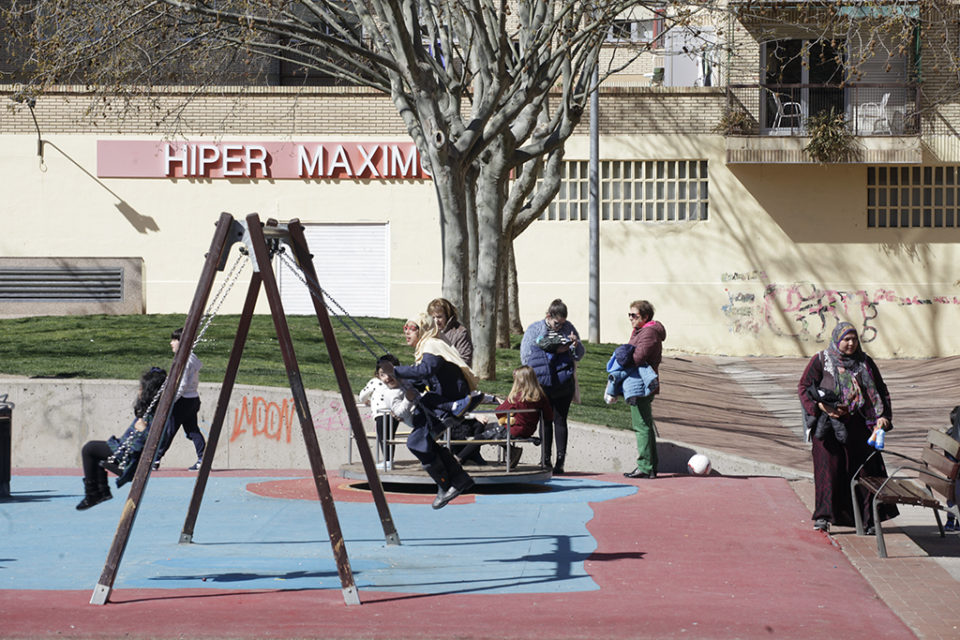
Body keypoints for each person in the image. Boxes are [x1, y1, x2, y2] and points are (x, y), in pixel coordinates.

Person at [797, 321, 898, 533]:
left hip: (860, 426)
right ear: (837, 340)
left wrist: (883, 418)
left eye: (854, 339)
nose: (851, 343)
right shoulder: (821, 360)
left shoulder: (865, 362)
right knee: (828, 471)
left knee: (865, 472)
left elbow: (881, 390)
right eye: (846, 339)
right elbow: (805, 387)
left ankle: (869, 520)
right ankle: (823, 517)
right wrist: (821, 406)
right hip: (828, 428)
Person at [379, 313, 482, 509]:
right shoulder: (427, 347)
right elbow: (424, 378)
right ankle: (458, 480)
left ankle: (446, 484)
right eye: (405, 328)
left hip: (447, 399)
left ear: (423, 329)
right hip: (438, 400)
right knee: (422, 442)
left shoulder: (431, 345)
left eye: (412, 328)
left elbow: (426, 371)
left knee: (416, 441)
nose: (407, 332)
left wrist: (397, 371)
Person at [76, 367, 167, 510]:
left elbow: (155, 441)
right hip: (123, 449)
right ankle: (100, 492)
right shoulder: (151, 409)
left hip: (128, 457)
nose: (139, 392)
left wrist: (144, 431)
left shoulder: (157, 414)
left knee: (90, 449)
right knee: (96, 455)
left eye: (141, 389)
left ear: (150, 392)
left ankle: (94, 493)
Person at [520, 298, 584, 474]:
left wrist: (575, 345)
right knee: (546, 420)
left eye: (562, 323)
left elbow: (579, 355)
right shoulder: (535, 329)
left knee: (560, 419)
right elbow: (526, 357)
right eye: (557, 323)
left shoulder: (568, 328)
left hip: (563, 382)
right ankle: (545, 459)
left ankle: (560, 461)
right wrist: (552, 350)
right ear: (548, 316)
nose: (559, 326)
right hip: (543, 383)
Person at [622, 300, 666, 479]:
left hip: (640, 384)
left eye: (635, 315)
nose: (631, 318)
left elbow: (637, 357)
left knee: (641, 426)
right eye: (630, 315)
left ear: (645, 317)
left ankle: (645, 466)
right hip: (639, 383)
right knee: (644, 424)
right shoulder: (643, 331)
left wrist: (623, 355)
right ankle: (650, 466)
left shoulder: (648, 333)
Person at [154, 328, 206, 471]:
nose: (171, 343)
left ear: (182, 342)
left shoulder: (185, 361)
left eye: (174, 340)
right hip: (193, 399)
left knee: (169, 430)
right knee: (192, 430)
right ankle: (203, 458)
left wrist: (170, 401)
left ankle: (156, 458)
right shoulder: (191, 358)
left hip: (182, 401)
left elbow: (181, 385)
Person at [358, 354, 402, 470]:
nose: (386, 377)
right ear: (377, 374)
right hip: (393, 412)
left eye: (389, 373)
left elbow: (362, 395)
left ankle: (388, 460)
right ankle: (389, 460)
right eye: (382, 374)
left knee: (383, 436)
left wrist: (367, 401)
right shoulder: (396, 382)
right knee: (389, 436)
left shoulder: (374, 382)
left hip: (381, 413)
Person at [427, 297, 473, 366]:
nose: (436, 321)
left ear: (447, 315)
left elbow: (465, 360)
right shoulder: (428, 333)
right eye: (433, 318)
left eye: (439, 317)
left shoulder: (460, 333)